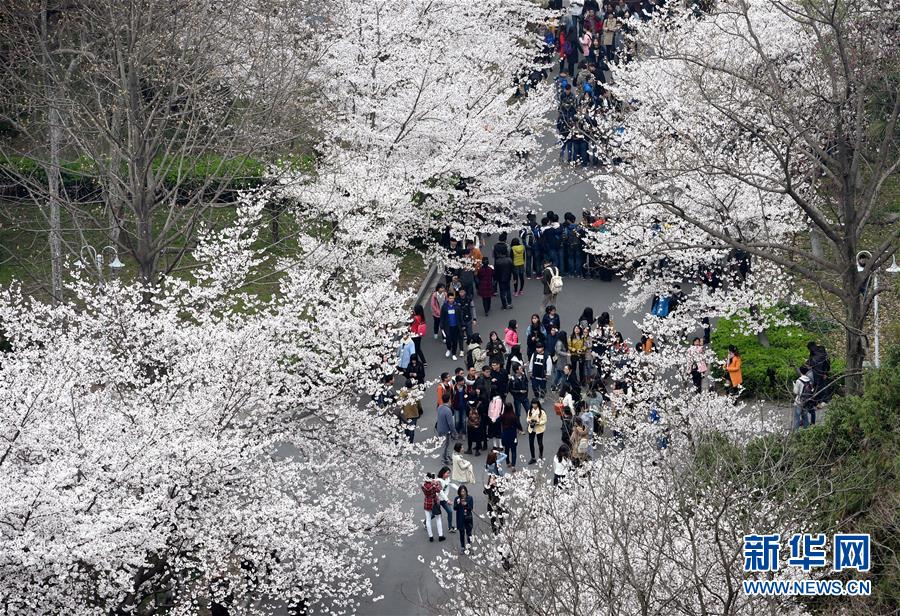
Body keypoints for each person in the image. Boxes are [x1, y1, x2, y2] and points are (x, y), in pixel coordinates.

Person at [421, 473, 446, 542]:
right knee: (438, 519)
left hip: (427, 502)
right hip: (434, 502)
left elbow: (426, 488)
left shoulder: (423, 485)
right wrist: (436, 483)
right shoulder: (433, 486)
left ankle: (431, 536)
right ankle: (440, 535)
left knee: (428, 520)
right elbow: (439, 490)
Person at [500, 402, 523, 470]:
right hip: (512, 435)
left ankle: (508, 462)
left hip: (505, 434)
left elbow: (498, 421)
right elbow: (518, 425)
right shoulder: (514, 416)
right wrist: (520, 429)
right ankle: (513, 465)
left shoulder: (503, 416)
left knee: (506, 449)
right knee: (513, 450)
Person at [440, 293, 463, 361]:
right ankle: (448, 349)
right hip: (448, 327)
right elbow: (442, 316)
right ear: (447, 298)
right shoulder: (444, 307)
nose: (451, 300)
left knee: (455, 341)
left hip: (456, 326)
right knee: (448, 339)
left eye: (452, 298)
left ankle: (453, 354)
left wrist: (462, 324)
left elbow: (460, 316)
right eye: (450, 298)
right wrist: (441, 325)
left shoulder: (457, 306)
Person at [792, 365, 815, 430]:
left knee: (797, 418)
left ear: (800, 371)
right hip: (806, 401)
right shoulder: (809, 380)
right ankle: (806, 431)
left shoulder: (799, 381)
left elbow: (795, 392)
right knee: (805, 417)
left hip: (799, 401)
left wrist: (794, 385)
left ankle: (796, 432)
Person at [436, 466, 458, 533]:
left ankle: (450, 527)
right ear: (443, 473)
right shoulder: (438, 481)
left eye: (449, 473)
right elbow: (441, 492)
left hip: (444, 500)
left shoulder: (447, 479)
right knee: (435, 514)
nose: (448, 475)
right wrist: (447, 500)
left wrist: (460, 489)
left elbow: (452, 484)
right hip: (438, 500)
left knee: (450, 512)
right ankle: (426, 522)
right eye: (447, 473)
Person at [453, 485, 475, 551]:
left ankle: (469, 546)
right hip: (460, 518)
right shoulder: (457, 498)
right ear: (459, 492)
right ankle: (462, 546)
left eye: (464, 491)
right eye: (461, 491)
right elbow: (455, 508)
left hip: (468, 517)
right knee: (461, 533)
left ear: (466, 491)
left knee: (469, 533)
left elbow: (471, 508)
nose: (463, 493)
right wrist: (458, 503)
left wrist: (466, 504)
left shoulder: (470, 498)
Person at [526, 399, 548, 464]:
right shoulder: (530, 410)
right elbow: (528, 418)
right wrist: (529, 421)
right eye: (533, 404)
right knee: (531, 443)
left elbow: (545, 420)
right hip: (532, 429)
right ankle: (533, 458)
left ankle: (540, 455)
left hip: (539, 429)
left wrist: (538, 423)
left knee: (540, 443)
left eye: (535, 404)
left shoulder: (542, 411)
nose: (534, 405)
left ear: (538, 404)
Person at [436, 391, 455, 464]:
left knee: (445, 445)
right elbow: (450, 423)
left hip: (440, 429)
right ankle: (445, 460)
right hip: (446, 430)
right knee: (446, 445)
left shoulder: (440, 407)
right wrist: (454, 431)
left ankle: (447, 456)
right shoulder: (448, 410)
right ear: (449, 400)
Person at [494, 244, 514, 310]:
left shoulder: (497, 261)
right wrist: (514, 277)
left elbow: (496, 271)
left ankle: (504, 305)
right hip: (508, 277)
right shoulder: (509, 260)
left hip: (500, 278)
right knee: (508, 290)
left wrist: (495, 279)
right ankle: (509, 303)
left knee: (502, 291)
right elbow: (512, 269)